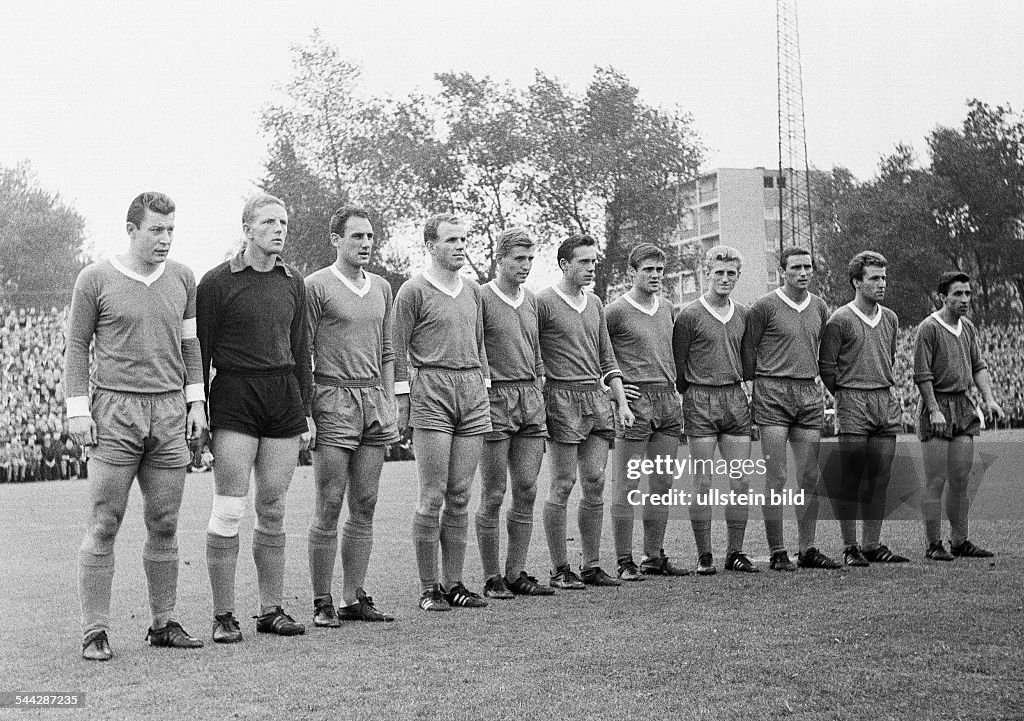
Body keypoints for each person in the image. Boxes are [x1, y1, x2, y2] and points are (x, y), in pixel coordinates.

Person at [65, 191, 207, 661]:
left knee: (164, 522)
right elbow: (76, 347)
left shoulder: (183, 278)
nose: (165, 239)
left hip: (168, 411)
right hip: (115, 411)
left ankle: (163, 622)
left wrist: (195, 401)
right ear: (132, 230)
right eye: (156, 230)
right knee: (106, 521)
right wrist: (78, 409)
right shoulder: (95, 279)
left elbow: (191, 347)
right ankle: (95, 630)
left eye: (171, 230)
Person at [198, 193, 313, 643]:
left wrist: (305, 409)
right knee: (229, 508)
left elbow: (301, 349)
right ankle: (223, 615)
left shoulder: (293, 281)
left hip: (282, 394)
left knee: (273, 506)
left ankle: (271, 609)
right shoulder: (216, 283)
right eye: (268, 222)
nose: (279, 229)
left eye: (283, 222)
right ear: (247, 229)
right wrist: (200, 410)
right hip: (235, 393)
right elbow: (200, 352)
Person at [305, 206, 398, 624]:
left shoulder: (380, 286)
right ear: (335, 239)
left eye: (370, 237)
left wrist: (392, 397)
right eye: (357, 236)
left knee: (366, 501)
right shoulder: (315, 287)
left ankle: (352, 596)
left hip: (373, 400)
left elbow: (388, 349)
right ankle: (322, 600)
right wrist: (308, 410)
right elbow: (302, 352)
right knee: (328, 501)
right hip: (332, 399)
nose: (365, 244)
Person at [394, 213, 491, 612]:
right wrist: (402, 398)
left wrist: (484, 386)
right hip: (432, 389)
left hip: (472, 390)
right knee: (431, 494)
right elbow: (396, 349)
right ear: (431, 246)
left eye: (463, 239)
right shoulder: (412, 291)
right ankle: (429, 586)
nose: (460, 246)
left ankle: (455, 583)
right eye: (451, 240)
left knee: (461, 494)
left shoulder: (472, 290)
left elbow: (480, 342)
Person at [537, 234, 634, 590]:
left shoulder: (594, 302)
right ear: (564, 264)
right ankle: (559, 568)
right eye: (584, 261)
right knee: (563, 484)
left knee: (594, 482)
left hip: (595, 399)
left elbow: (608, 359)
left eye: (594, 261)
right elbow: (532, 354)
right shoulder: (543, 302)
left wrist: (621, 402)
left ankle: (591, 564)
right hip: (560, 399)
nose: (591, 267)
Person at [741, 247, 840, 571]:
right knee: (777, 475)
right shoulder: (765, 306)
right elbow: (749, 348)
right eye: (796, 267)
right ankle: (778, 550)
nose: (803, 272)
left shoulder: (820, 307)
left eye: (808, 267)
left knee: (810, 474)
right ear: (783, 271)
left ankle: (808, 548)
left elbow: (822, 351)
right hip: (772, 391)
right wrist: (754, 387)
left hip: (808, 391)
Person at [475, 228, 554, 599]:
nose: (525, 266)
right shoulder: (482, 297)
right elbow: (475, 346)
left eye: (530, 259)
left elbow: (535, 348)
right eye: (518, 259)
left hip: (530, 397)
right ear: (500, 259)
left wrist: (538, 383)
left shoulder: (532, 300)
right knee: (493, 492)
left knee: (526, 488)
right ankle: (492, 577)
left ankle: (516, 571)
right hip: (495, 400)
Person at [819, 251, 908, 566]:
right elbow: (827, 368)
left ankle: (872, 545)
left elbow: (890, 356)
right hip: (853, 401)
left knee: (880, 478)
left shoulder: (892, 318)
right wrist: (846, 395)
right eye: (874, 278)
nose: (882, 283)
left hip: (885, 400)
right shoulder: (839, 319)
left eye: (884, 277)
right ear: (857, 281)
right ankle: (850, 547)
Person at [673, 246, 757, 575]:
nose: (725, 278)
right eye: (718, 272)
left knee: (741, 482)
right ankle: (704, 554)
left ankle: (735, 552)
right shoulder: (690, 315)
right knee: (703, 481)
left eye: (731, 273)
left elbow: (747, 360)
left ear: (738, 275)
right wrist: (694, 393)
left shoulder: (744, 313)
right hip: (700, 399)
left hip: (735, 399)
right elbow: (678, 368)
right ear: (707, 272)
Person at [607, 243, 688, 581]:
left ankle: (653, 556)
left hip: (668, 402)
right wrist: (609, 388)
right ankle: (624, 561)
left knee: (662, 483)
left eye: (659, 270)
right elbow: (596, 354)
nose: (655, 276)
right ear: (633, 272)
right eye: (648, 270)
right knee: (627, 485)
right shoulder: (615, 311)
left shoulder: (668, 307)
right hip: (636, 404)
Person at [914, 271, 1003, 560]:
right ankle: (933, 544)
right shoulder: (929, 327)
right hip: (937, 405)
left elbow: (978, 365)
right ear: (943, 297)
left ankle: (960, 540)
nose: (964, 299)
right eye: (958, 294)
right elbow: (922, 374)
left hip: (963, 407)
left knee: (961, 479)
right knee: (935, 480)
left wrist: (989, 399)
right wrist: (934, 409)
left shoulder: (968, 328)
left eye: (967, 294)